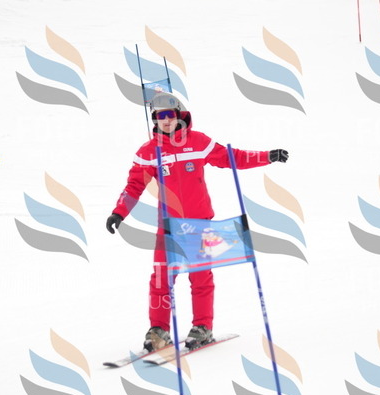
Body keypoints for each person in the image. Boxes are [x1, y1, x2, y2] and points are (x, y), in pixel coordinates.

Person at [105, 92, 289, 351]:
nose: (165, 121)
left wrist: (267, 156)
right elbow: (134, 186)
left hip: (199, 223)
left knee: (200, 277)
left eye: (169, 115)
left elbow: (232, 157)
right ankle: (159, 330)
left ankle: (202, 327)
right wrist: (119, 212)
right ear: (154, 119)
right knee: (161, 278)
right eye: (159, 116)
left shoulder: (198, 142)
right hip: (168, 226)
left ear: (178, 114)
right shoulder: (148, 152)